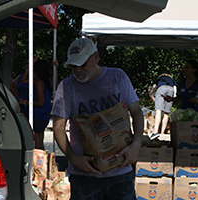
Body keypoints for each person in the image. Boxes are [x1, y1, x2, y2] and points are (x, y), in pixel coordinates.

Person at [50, 38, 144, 200]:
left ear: (96, 57)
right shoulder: (67, 87)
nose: (78, 70)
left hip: (119, 172)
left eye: (83, 64)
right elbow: (58, 127)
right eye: (73, 66)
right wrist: (73, 158)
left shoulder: (117, 77)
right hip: (84, 176)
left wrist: (136, 145)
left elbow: (136, 112)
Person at [10, 57, 58, 150]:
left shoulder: (39, 81)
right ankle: (38, 162)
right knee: (32, 141)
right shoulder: (29, 78)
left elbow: (41, 102)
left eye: (32, 64)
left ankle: (40, 163)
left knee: (38, 144)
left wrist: (24, 102)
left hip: (38, 115)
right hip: (28, 113)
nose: (28, 65)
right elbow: (18, 83)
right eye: (27, 63)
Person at [148, 72, 177, 140]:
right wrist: (174, 95)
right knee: (166, 113)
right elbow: (175, 87)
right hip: (171, 90)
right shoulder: (171, 78)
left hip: (161, 89)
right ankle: (162, 133)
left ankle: (155, 132)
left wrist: (155, 100)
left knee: (158, 112)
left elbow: (152, 90)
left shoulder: (159, 77)